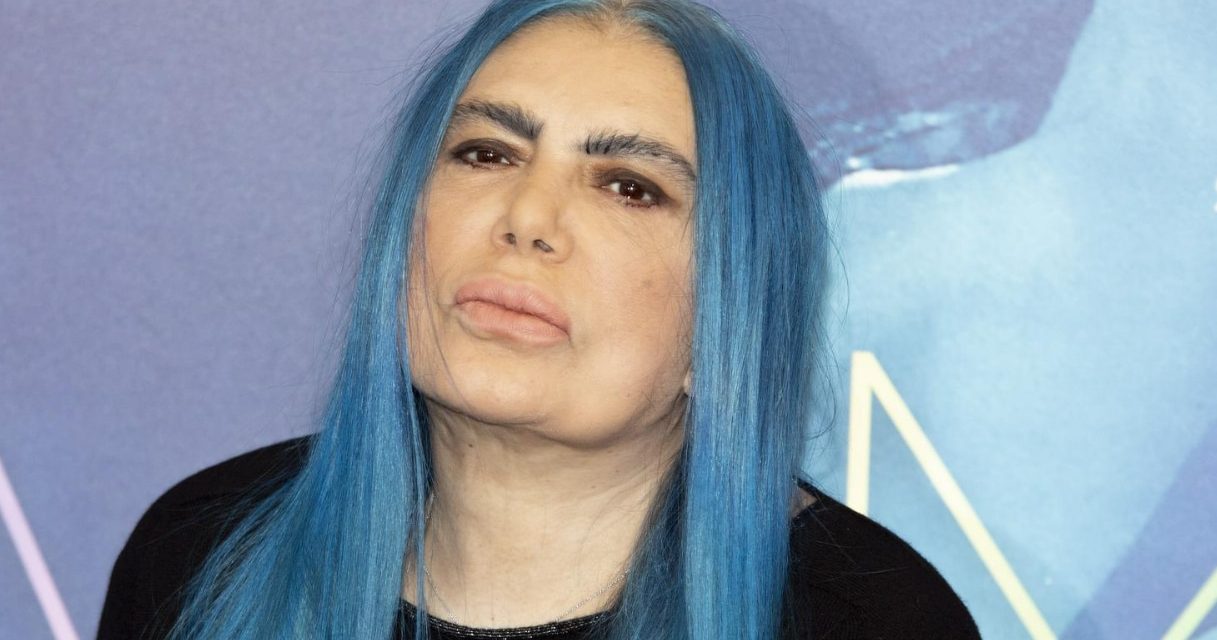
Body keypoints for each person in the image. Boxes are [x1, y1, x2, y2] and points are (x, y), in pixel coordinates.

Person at [99, 0, 980, 638]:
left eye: (628, 187)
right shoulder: (202, 553)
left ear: (732, 305)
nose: (526, 217)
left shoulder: (870, 619)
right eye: (486, 153)